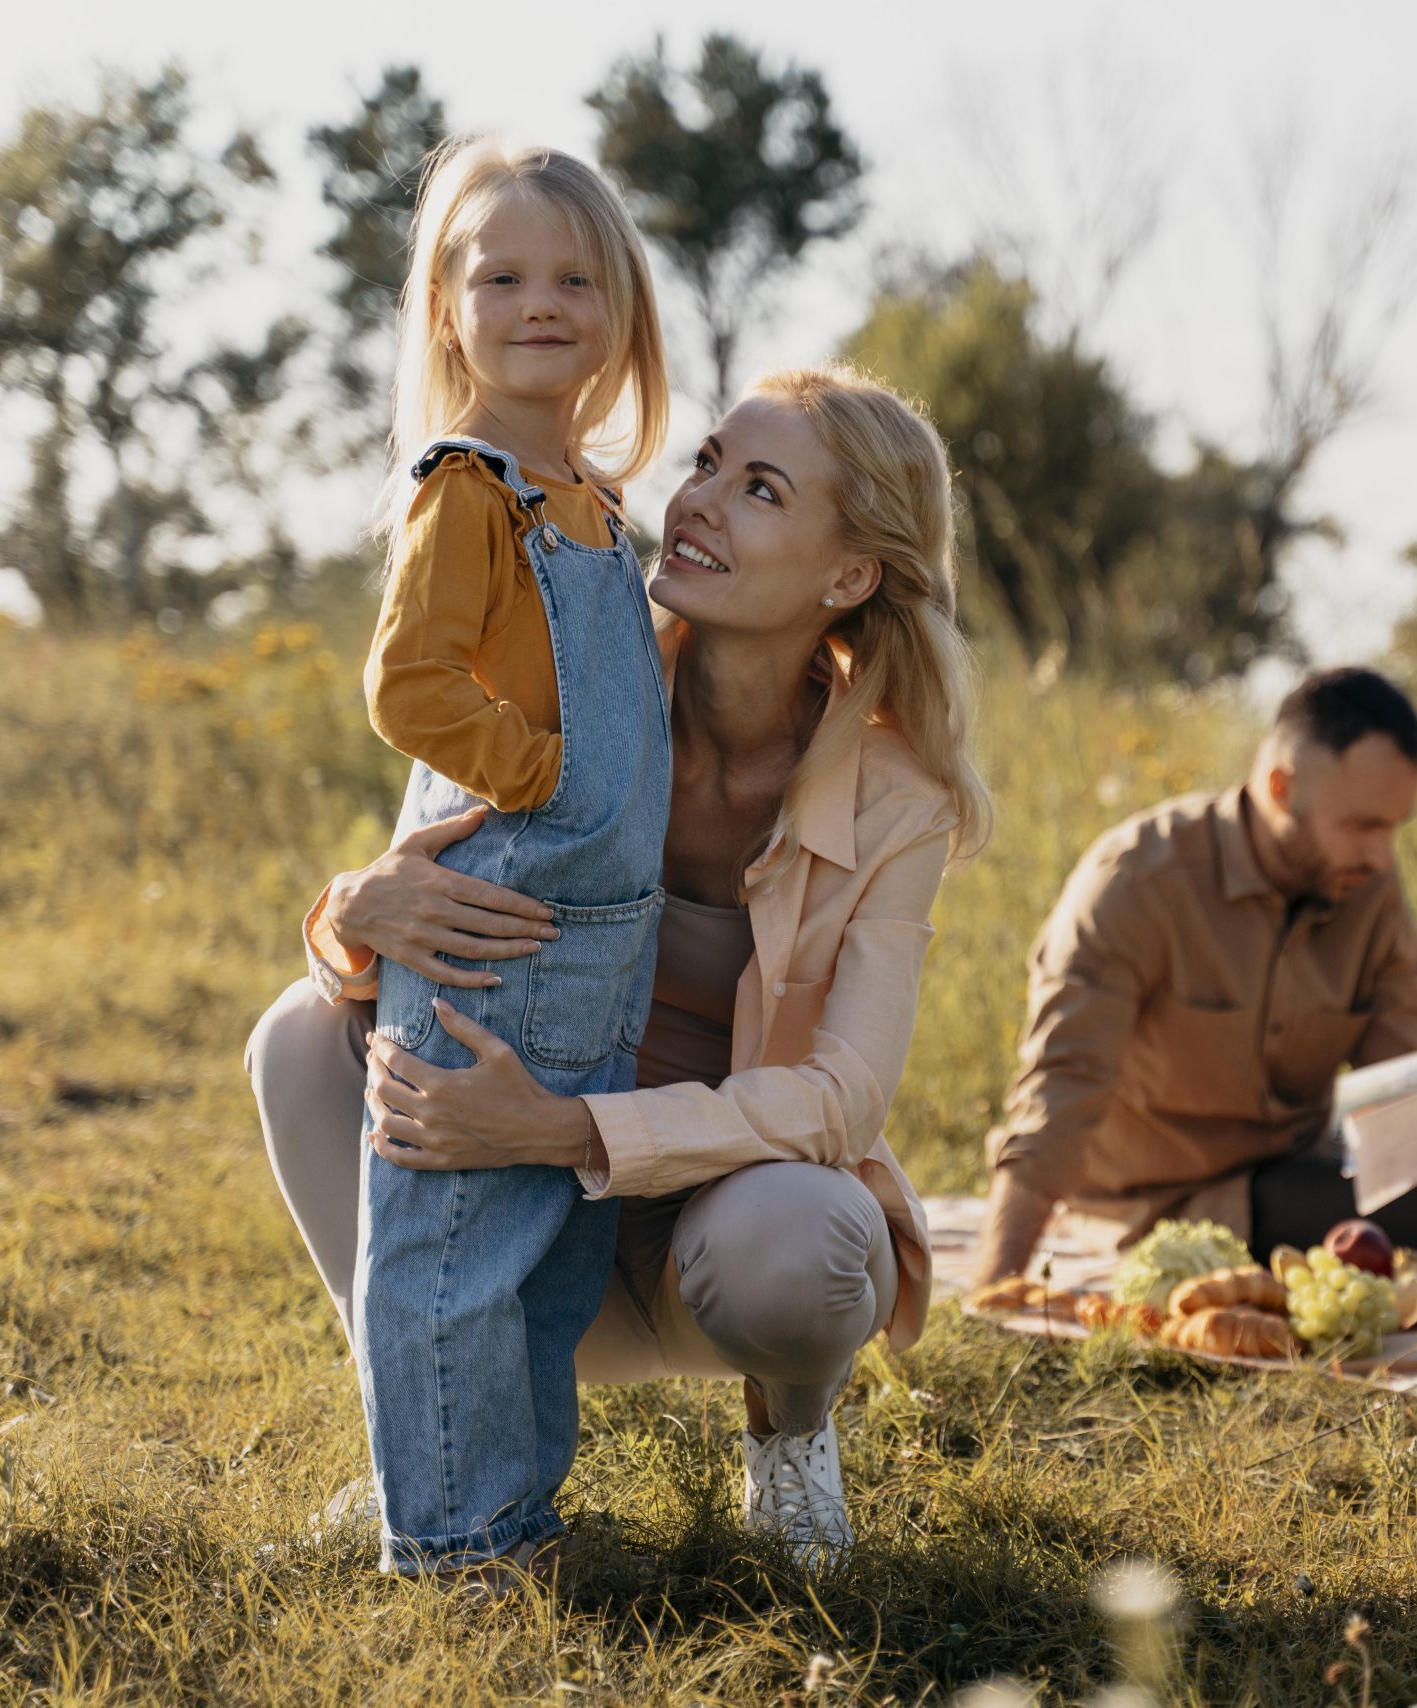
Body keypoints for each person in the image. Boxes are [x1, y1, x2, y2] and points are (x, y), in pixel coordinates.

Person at [246, 365, 989, 1574]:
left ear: (849, 575)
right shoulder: (575, 673)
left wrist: (558, 1127)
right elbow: (416, 888)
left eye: (759, 489)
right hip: (512, 1216)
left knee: (811, 1230)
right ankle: (427, 1440)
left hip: (714, 1236)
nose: (696, 502)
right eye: (704, 463)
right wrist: (355, 908)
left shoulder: (901, 799)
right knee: (296, 1036)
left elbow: (841, 1099)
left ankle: (790, 1448)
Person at [346, 136, 672, 1583]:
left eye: (575, 278)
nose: (542, 303)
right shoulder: (472, 488)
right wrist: (537, 769)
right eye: (503, 276)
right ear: (447, 309)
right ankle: (455, 1541)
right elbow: (407, 685)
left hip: (597, 953)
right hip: (501, 925)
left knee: (547, 1263)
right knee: (454, 1255)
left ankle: (522, 1519)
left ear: (619, 310)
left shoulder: (598, 506)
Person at [973, 668, 1417, 1288]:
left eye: (1394, 829)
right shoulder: (1136, 884)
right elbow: (1060, 1093)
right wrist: (996, 1287)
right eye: (1361, 826)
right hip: (1171, 1196)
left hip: (1314, 1157)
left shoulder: (1369, 888)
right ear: (1280, 788)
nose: (1382, 857)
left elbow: (1404, 1071)